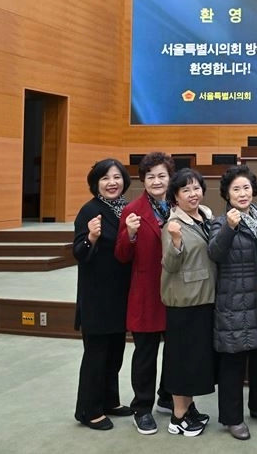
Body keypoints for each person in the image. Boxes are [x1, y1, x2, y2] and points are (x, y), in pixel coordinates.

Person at [208, 165, 257, 440]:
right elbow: (215, 253)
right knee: (233, 362)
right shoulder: (220, 222)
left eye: (246, 187)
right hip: (234, 299)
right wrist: (230, 229)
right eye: (236, 189)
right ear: (227, 194)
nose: (243, 193)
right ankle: (232, 418)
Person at [115, 151, 175, 435]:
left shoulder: (178, 205)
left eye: (162, 175)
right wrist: (131, 234)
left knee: (175, 351)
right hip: (147, 293)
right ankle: (142, 407)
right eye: (150, 176)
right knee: (145, 354)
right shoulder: (133, 210)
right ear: (143, 180)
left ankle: (167, 396)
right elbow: (122, 255)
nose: (157, 181)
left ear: (170, 177)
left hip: (176, 293)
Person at [73, 158, 133, 430]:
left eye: (117, 177)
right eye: (105, 178)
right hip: (97, 296)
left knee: (115, 352)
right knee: (96, 355)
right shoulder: (90, 210)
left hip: (120, 295)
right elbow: (79, 253)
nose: (112, 183)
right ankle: (88, 410)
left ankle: (110, 400)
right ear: (96, 183)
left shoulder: (126, 210)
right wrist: (92, 238)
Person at [160, 168, 217, 437]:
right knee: (181, 361)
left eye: (196, 188)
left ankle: (190, 407)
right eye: (186, 190)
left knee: (195, 360)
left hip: (204, 299)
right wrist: (175, 240)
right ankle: (178, 416)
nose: (193, 194)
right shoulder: (172, 225)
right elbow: (170, 265)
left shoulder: (205, 216)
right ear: (175, 197)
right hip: (184, 302)